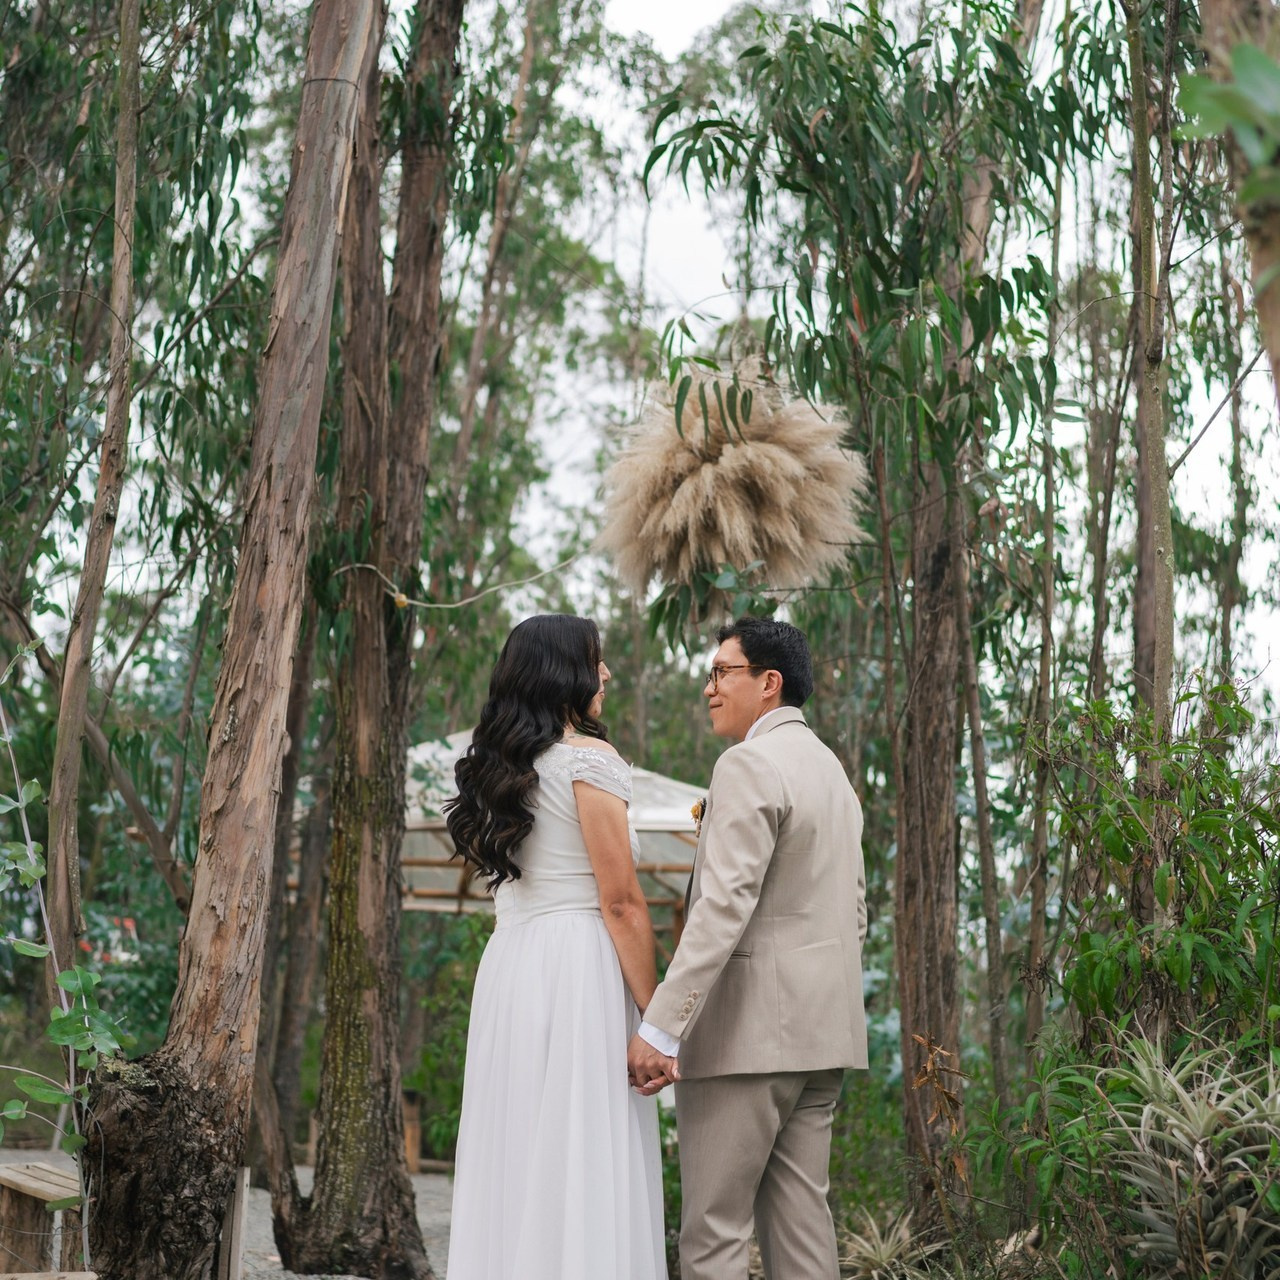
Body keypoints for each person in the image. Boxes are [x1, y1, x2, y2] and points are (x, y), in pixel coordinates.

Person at [627, 616, 867, 1280]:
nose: (708, 688)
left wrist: (662, 1024)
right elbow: (855, 911)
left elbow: (721, 907)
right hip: (825, 1037)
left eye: (721, 672)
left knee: (713, 1234)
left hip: (748, 1041)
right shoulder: (833, 774)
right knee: (802, 1228)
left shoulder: (749, 763)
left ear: (769, 683)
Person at [443, 614, 667, 1280]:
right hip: (578, 970)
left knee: (515, 1150)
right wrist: (657, 1018)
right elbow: (622, 902)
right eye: (596, 660)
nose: (606, 674)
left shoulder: (497, 772)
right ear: (564, 670)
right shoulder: (588, 761)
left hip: (512, 968)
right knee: (583, 1150)